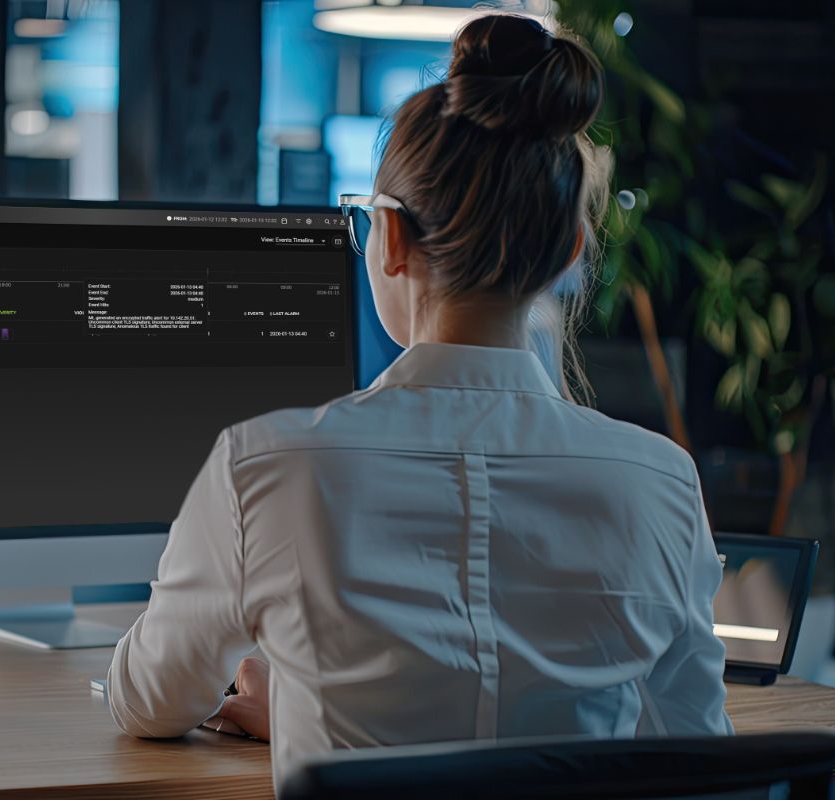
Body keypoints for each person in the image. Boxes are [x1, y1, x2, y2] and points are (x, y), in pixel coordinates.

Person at [107, 12, 732, 791]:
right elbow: (695, 752)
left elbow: (148, 699)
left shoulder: (267, 468)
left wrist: (313, 704)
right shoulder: (660, 483)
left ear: (391, 240)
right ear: (572, 249)